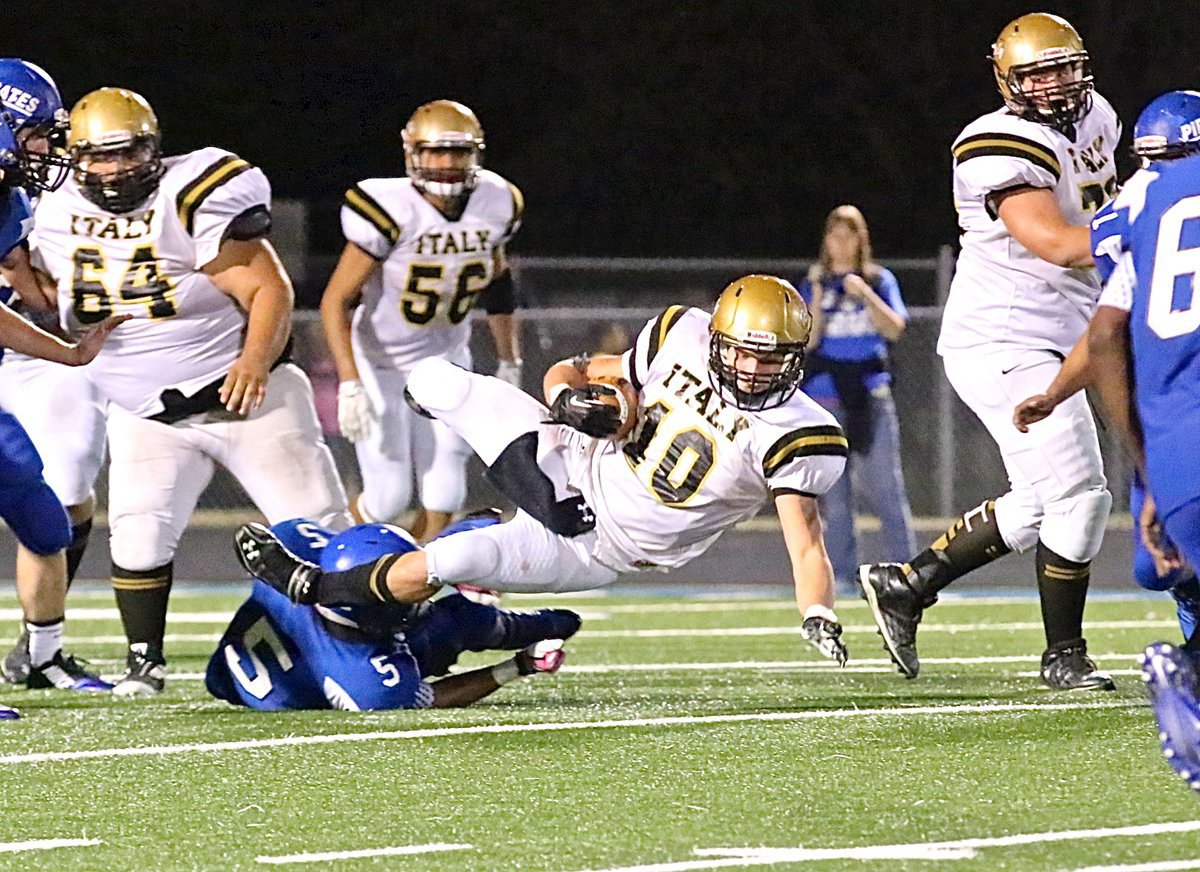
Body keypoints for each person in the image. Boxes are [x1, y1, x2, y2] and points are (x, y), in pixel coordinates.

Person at [236, 274, 853, 667]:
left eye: (770, 358)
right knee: (434, 380)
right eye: (742, 351)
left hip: (600, 546)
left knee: (452, 560)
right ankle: (517, 477)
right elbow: (573, 373)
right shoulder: (680, 335)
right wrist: (567, 401)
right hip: (568, 458)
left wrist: (818, 612)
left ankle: (313, 587)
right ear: (716, 337)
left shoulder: (800, 431)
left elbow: (806, 542)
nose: (751, 369)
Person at [28, 86, 351, 697]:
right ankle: (144, 663)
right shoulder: (47, 204)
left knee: (319, 530)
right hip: (143, 412)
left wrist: (254, 360)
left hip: (243, 398)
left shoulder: (189, 195)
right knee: (138, 537)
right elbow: (42, 282)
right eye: (99, 156)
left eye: (128, 152)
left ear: (153, 149)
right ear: (75, 156)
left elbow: (269, 288)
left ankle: (359, 639)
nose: (115, 169)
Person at [858, 12, 1120, 690]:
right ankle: (1064, 655)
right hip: (1004, 335)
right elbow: (1059, 244)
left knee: (1039, 500)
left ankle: (907, 585)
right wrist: (1149, 222)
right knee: (1082, 493)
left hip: (1059, 329)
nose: (1057, 85)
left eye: (1065, 68)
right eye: (1039, 74)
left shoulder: (1099, 119)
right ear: (1009, 82)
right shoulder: (996, 144)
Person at [1012, 91, 1200, 654]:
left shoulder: (1138, 201)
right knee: (1162, 564)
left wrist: (1058, 390)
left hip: (1171, 414)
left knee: (1168, 553)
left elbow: (1105, 330)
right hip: (1173, 400)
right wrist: (1056, 391)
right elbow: (1105, 330)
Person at [1057, 92, 1200, 788]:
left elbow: (1106, 331)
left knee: (1164, 567)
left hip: (1171, 438)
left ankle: (1191, 672)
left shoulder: (1138, 201)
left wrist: (1146, 470)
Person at [320, 99, 523, 541]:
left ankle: (416, 568)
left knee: (447, 485)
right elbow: (335, 300)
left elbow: (498, 285)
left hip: (446, 357)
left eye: (458, 152)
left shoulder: (496, 201)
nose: (447, 163)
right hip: (381, 363)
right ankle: (327, 558)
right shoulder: (389, 207)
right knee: (388, 497)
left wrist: (510, 360)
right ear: (413, 152)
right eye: (436, 151)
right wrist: (350, 380)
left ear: (475, 154)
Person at [0, 60, 131, 715]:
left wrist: (71, 352)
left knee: (45, 516)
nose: (45, 150)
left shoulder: (10, 202)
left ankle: (43, 655)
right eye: (34, 135)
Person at [207, 513, 581, 711]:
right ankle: (519, 614)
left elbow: (347, 554)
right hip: (334, 658)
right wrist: (517, 666)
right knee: (464, 622)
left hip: (248, 665)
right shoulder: (368, 682)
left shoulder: (295, 550)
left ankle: (460, 557)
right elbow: (432, 697)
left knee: (448, 609)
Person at [798, 205, 915, 595]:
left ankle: (908, 573)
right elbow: (808, 340)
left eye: (849, 235)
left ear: (860, 240)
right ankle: (844, 576)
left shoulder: (879, 280)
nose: (841, 243)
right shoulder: (814, 283)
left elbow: (895, 328)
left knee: (886, 487)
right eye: (835, 235)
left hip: (870, 392)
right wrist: (817, 294)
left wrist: (864, 293)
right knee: (835, 496)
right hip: (826, 397)